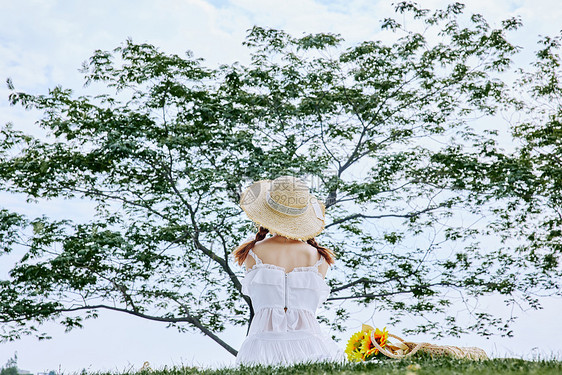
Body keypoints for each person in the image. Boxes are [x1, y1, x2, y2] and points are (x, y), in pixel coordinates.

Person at [231, 175, 347, 367]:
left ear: (266, 214)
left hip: (262, 347)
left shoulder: (252, 253)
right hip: (311, 346)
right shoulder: (319, 258)